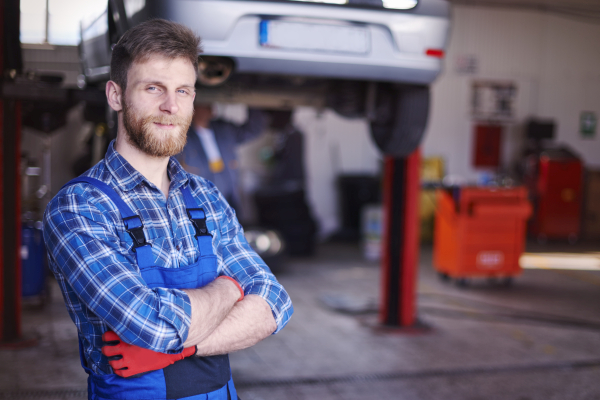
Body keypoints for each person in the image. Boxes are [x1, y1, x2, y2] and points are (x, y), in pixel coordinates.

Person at [43, 19, 293, 400]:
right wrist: (231, 287)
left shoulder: (206, 197)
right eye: (153, 88)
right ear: (115, 95)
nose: (171, 106)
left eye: (184, 90)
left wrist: (188, 346)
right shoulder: (78, 207)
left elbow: (274, 303)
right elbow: (154, 326)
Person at [177, 104, 265, 216]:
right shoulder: (181, 136)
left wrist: (253, 101)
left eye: (209, 104)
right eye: (203, 104)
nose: (210, 108)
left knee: (232, 221)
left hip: (228, 187)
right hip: (201, 192)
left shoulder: (223, 129)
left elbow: (253, 129)